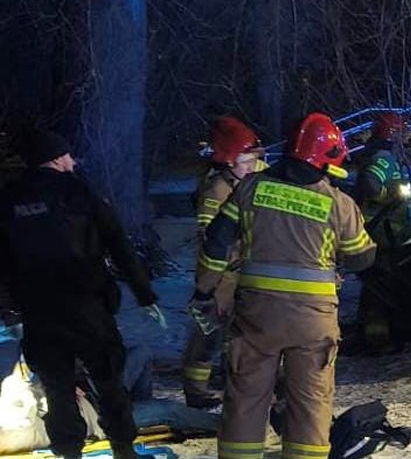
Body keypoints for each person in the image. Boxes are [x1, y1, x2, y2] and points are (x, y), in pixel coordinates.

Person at [195, 112, 376, 458]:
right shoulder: (339, 204)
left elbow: (216, 244)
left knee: (245, 400)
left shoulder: (249, 189)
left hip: (256, 317)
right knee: (310, 404)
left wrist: (204, 289)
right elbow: (361, 258)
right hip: (312, 325)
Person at [0, 130, 162, 459]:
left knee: (58, 390)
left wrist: (11, 312)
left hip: (39, 313)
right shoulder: (80, 192)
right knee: (108, 383)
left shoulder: (10, 200)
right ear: (58, 158)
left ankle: (68, 452)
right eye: (69, 156)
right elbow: (119, 245)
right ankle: (122, 448)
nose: (72, 161)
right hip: (88, 308)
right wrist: (145, 295)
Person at [182, 116, 265, 408]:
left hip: (246, 270)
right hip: (222, 274)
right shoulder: (216, 190)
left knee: (241, 333)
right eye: (246, 160)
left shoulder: (253, 177)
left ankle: (238, 385)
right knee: (209, 332)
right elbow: (211, 237)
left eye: (255, 159)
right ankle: (196, 390)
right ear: (229, 161)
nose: (253, 165)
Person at [351, 111, 411, 351]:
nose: (409, 136)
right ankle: (378, 339)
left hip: (378, 232)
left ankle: (370, 334)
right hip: (383, 234)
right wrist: (391, 196)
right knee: (381, 287)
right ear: (393, 134)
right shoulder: (384, 157)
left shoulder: (377, 154)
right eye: (403, 132)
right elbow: (369, 185)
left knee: (374, 286)